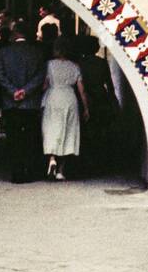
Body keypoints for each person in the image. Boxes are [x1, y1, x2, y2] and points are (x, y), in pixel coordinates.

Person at [0, 20, 46, 183]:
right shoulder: (37, 52)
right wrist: (26, 90)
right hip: (30, 103)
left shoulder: (4, 52)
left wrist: (13, 91)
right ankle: (29, 170)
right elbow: (40, 75)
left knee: (13, 138)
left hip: (10, 102)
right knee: (30, 138)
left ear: (16, 33)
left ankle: (16, 171)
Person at [41, 39, 89, 180]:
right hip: (69, 98)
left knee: (51, 128)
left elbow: (44, 85)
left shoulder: (49, 65)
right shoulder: (75, 66)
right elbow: (82, 90)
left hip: (53, 97)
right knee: (68, 131)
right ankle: (61, 171)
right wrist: (86, 108)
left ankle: (52, 158)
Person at [76, 35, 119, 174]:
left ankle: (86, 161)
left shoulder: (79, 63)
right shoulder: (102, 62)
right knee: (101, 131)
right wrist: (113, 99)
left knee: (85, 131)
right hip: (100, 97)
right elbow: (109, 84)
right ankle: (100, 161)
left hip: (84, 97)